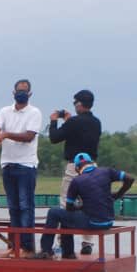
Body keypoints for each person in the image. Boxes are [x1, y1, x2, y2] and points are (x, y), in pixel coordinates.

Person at [35, 153, 134, 259]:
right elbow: (130, 178)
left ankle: (46, 251)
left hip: (93, 222)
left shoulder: (77, 181)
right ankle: (68, 253)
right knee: (66, 218)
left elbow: (69, 207)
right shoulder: (107, 171)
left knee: (54, 212)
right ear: (91, 163)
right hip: (108, 221)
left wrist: (81, 206)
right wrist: (118, 194)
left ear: (77, 168)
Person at [0, 78, 44, 255]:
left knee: (25, 206)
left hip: (26, 165)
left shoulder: (34, 112)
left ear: (29, 94)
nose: (21, 93)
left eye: (25, 90)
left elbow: (29, 136)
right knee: (13, 207)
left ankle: (27, 247)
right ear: (13, 93)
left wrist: (5, 134)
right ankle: (16, 246)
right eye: (19, 90)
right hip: (8, 164)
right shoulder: (4, 111)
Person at [48, 89, 103, 256]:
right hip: (92, 166)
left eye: (75, 103)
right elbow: (81, 132)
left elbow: (54, 137)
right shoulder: (96, 122)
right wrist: (69, 120)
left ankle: (62, 242)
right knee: (89, 203)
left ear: (79, 104)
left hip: (75, 166)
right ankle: (87, 242)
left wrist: (54, 122)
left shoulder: (73, 123)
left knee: (66, 203)